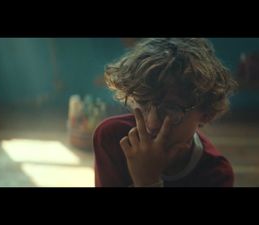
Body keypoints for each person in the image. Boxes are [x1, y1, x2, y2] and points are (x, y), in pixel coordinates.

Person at [93, 38, 238, 187]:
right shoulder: (113, 138)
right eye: (143, 103)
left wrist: (148, 182)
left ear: (206, 114)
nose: (152, 123)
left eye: (171, 109)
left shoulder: (216, 175)